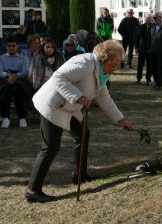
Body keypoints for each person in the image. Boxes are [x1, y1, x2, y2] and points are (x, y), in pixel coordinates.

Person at [25, 40, 134, 203]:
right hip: (53, 105)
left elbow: (105, 100)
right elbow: (58, 77)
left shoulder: (101, 72)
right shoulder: (86, 64)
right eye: (116, 63)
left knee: (82, 135)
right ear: (106, 60)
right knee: (50, 147)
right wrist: (78, 96)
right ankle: (32, 190)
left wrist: (121, 120)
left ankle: (79, 175)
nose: (117, 67)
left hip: (69, 108)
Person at [0, 36, 29, 128]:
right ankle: (5, 118)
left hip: (19, 79)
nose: (11, 48)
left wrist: (16, 76)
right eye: (9, 46)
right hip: (5, 79)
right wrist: (9, 75)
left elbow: (25, 71)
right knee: (4, 89)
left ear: (17, 46)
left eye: (13, 46)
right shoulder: (0, 58)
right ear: (6, 47)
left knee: (18, 90)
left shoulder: (23, 58)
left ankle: (22, 117)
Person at [135, 14, 153, 85]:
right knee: (140, 65)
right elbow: (137, 38)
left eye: (148, 19)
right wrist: (136, 47)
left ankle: (148, 80)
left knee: (149, 65)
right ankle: (138, 79)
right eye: (146, 18)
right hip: (141, 49)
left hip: (150, 50)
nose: (147, 20)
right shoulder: (141, 27)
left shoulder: (153, 27)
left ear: (151, 20)